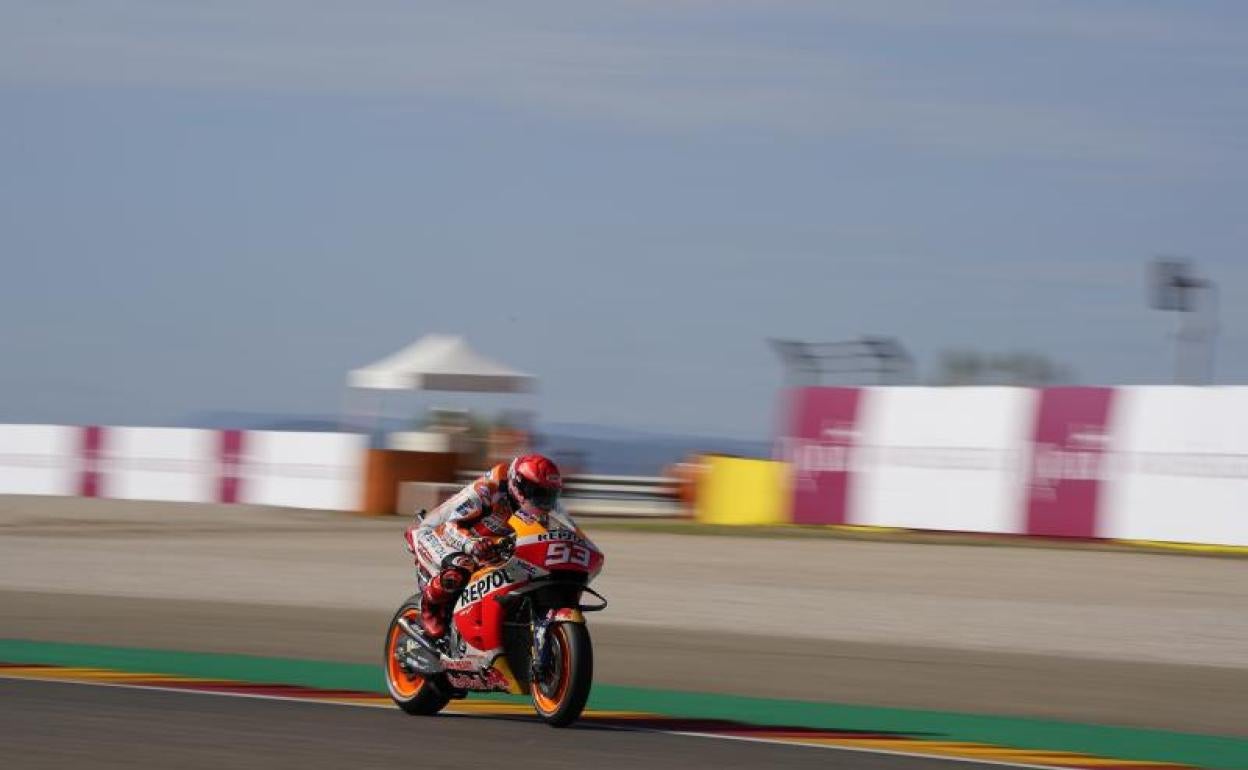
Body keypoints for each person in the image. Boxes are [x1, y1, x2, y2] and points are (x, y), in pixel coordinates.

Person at [404, 453, 563, 641]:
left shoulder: (538, 510)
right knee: (461, 567)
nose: (543, 502)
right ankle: (429, 609)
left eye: (548, 496)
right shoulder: (489, 490)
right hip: (437, 532)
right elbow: (450, 525)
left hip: (486, 545)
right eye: (537, 494)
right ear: (518, 485)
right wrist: (472, 544)